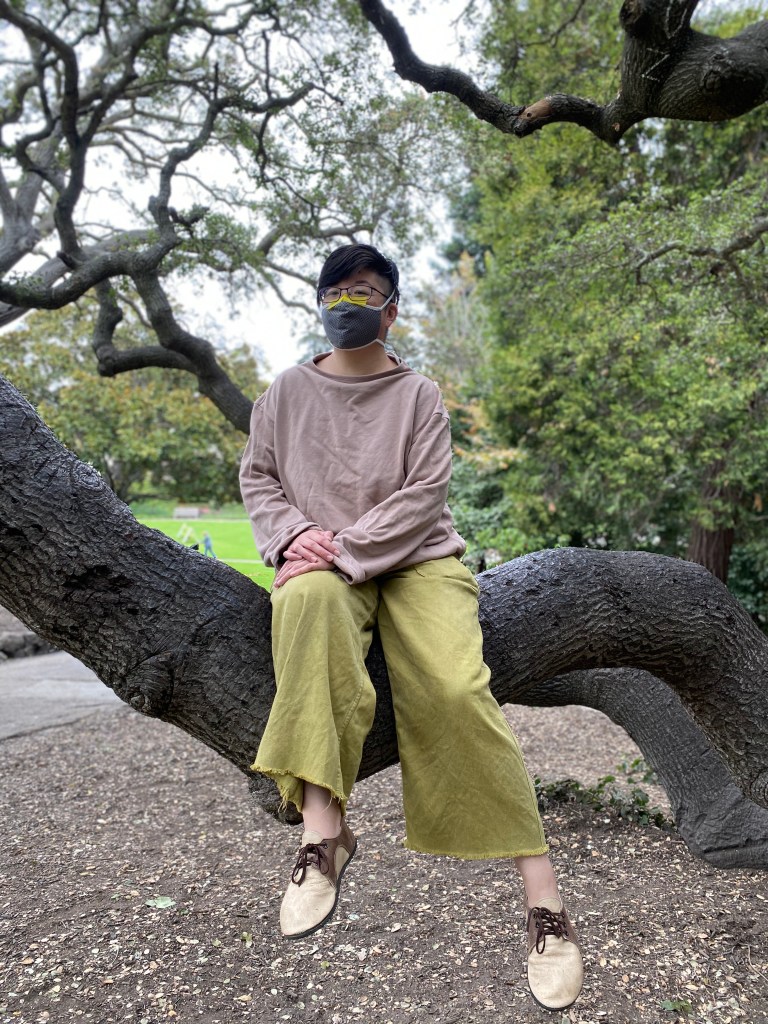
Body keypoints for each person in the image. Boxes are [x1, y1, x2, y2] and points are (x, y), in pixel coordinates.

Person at [239, 243, 584, 1011]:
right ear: (319, 305)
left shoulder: (419, 393)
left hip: (417, 558)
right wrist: (295, 537)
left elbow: (426, 492)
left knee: (457, 690)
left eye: (364, 292)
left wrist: (346, 547)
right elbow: (258, 476)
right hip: (320, 562)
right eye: (336, 291)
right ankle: (322, 834)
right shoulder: (284, 393)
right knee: (303, 607)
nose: (348, 304)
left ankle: (543, 900)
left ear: (390, 310)